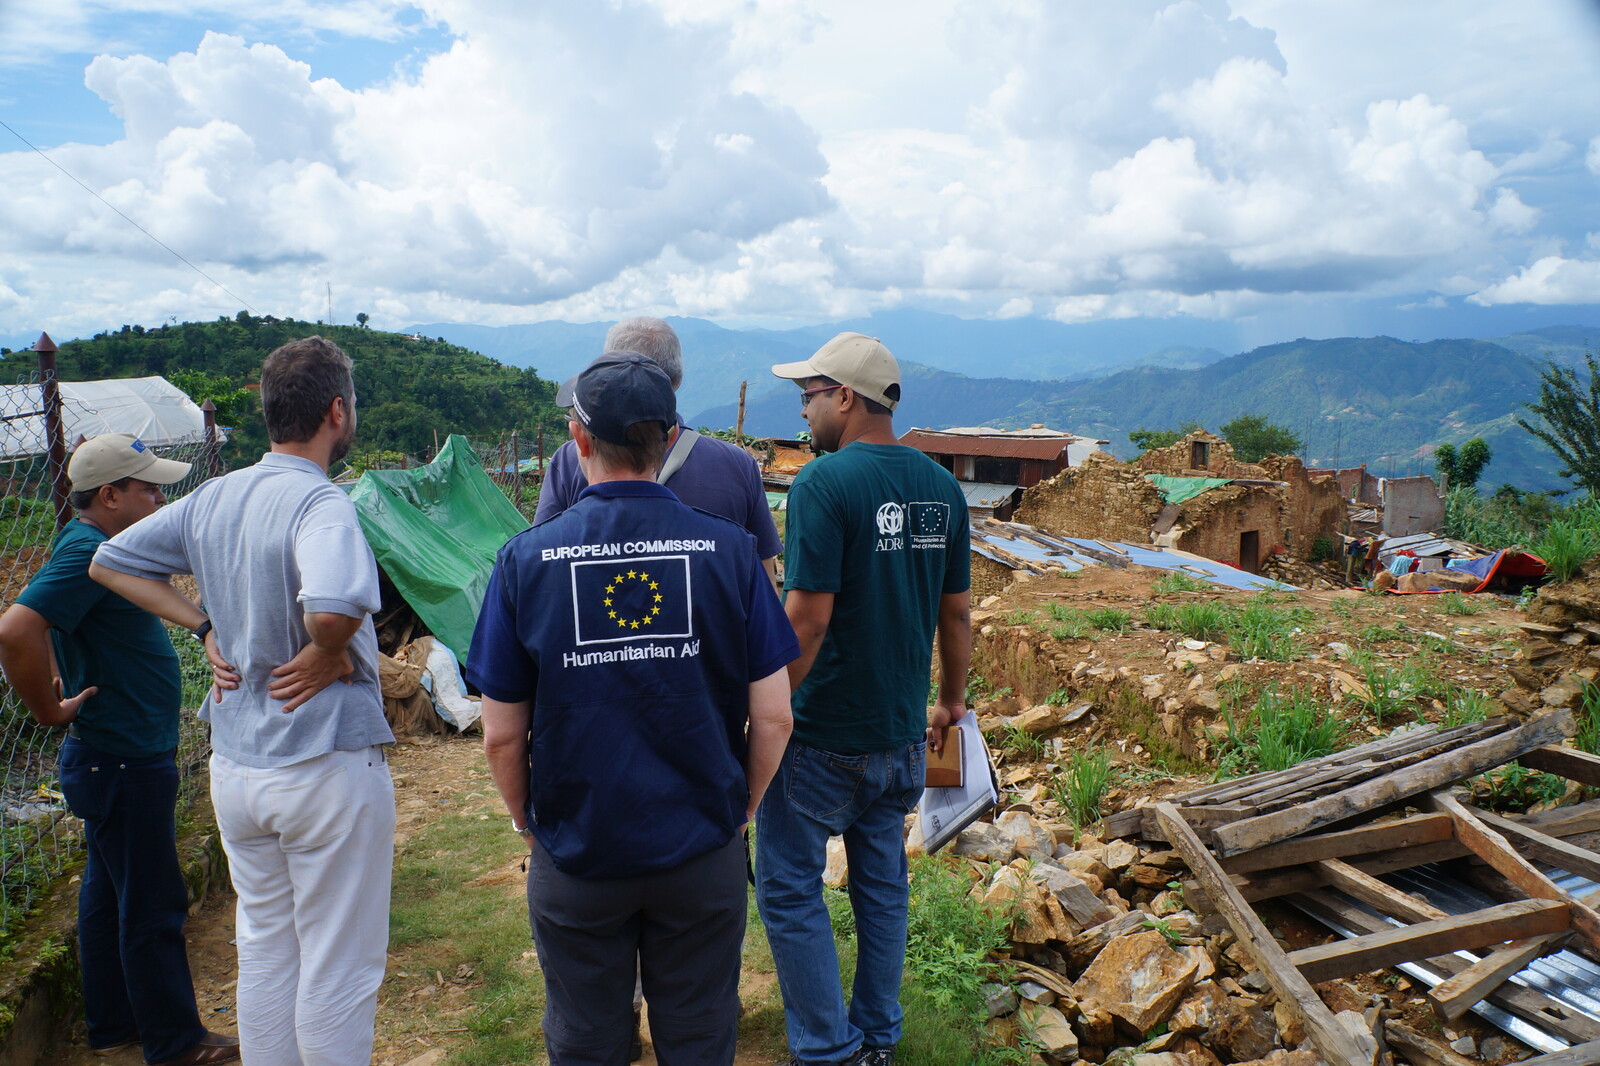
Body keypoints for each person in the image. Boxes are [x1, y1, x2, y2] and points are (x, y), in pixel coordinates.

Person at [468, 351, 797, 1066]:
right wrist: (741, 807)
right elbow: (774, 717)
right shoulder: (731, 553)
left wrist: (529, 820)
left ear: (577, 440)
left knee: (586, 1035)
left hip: (580, 851)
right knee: (701, 1029)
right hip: (700, 846)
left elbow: (500, 734)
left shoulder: (525, 561)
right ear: (671, 436)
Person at [88, 336, 396, 1066]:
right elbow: (333, 602)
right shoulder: (321, 502)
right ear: (337, 412)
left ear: (267, 413)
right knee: (338, 964)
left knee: (265, 948)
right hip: (323, 763)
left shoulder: (216, 497)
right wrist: (327, 646)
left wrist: (204, 627)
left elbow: (111, 560)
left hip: (239, 764)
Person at [756, 333, 972, 1066]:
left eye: (808, 394)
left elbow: (807, 620)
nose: (804, 409)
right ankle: (878, 1038)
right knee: (882, 888)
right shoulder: (942, 488)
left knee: (788, 888)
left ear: (844, 396)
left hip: (821, 734)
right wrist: (952, 701)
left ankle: (826, 1049)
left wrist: (767, 713)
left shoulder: (824, 484)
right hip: (900, 737)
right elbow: (958, 613)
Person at [0, 435, 239, 1066]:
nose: (160, 498)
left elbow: (50, 621)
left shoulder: (90, 546)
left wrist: (56, 666)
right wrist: (47, 708)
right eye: (148, 488)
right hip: (124, 758)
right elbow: (17, 626)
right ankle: (176, 1043)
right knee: (153, 905)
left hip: (116, 755)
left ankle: (114, 1024)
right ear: (110, 495)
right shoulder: (88, 551)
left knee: (107, 898)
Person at [533, 316, 781, 584]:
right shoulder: (737, 465)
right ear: (675, 380)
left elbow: (541, 564)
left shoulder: (570, 460)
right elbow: (764, 579)